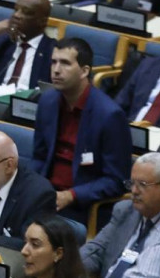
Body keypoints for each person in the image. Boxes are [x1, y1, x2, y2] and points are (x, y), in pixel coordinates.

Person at [33, 38, 132, 222]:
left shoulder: (110, 115)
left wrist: (72, 195)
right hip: (45, 197)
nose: (56, 69)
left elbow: (116, 181)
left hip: (81, 207)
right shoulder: (47, 102)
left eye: (65, 63)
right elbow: (39, 157)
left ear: (84, 71)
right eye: (53, 62)